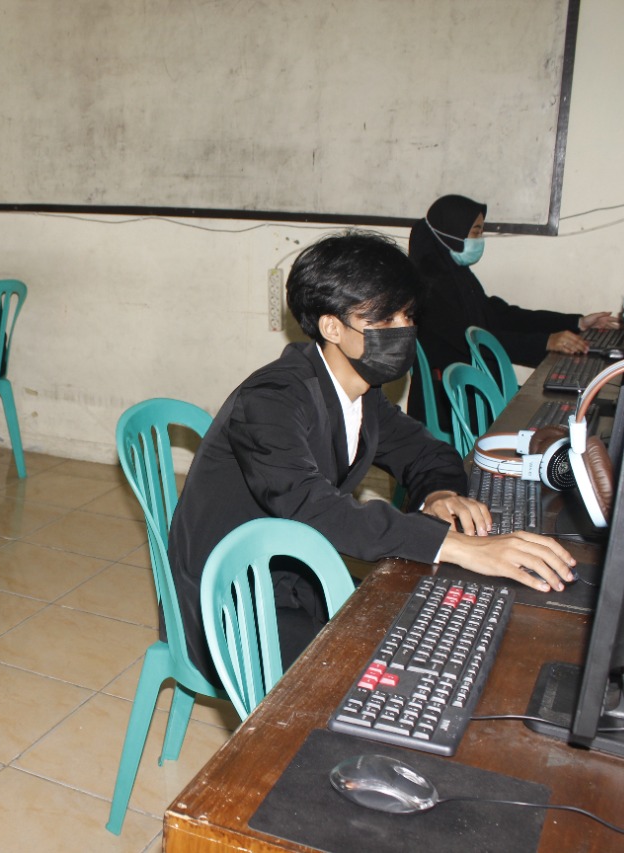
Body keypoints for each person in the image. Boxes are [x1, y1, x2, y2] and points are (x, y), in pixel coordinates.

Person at [166, 231, 576, 683]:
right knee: (385, 682)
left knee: (435, 635)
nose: (402, 330)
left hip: (295, 578)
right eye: (383, 319)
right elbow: (313, 508)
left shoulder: (362, 394)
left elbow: (429, 454)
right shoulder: (271, 400)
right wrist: (458, 546)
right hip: (231, 605)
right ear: (332, 328)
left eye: (406, 315)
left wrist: (440, 494)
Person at [408, 194, 619, 428]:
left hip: (475, 392)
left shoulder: (457, 276)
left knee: (565, 409)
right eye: (476, 232)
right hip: (454, 404)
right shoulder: (429, 288)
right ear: (452, 234)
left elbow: (503, 316)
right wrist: (545, 342)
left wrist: (576, 322)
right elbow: (475, 341)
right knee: (560, 418)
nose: (480, 240)